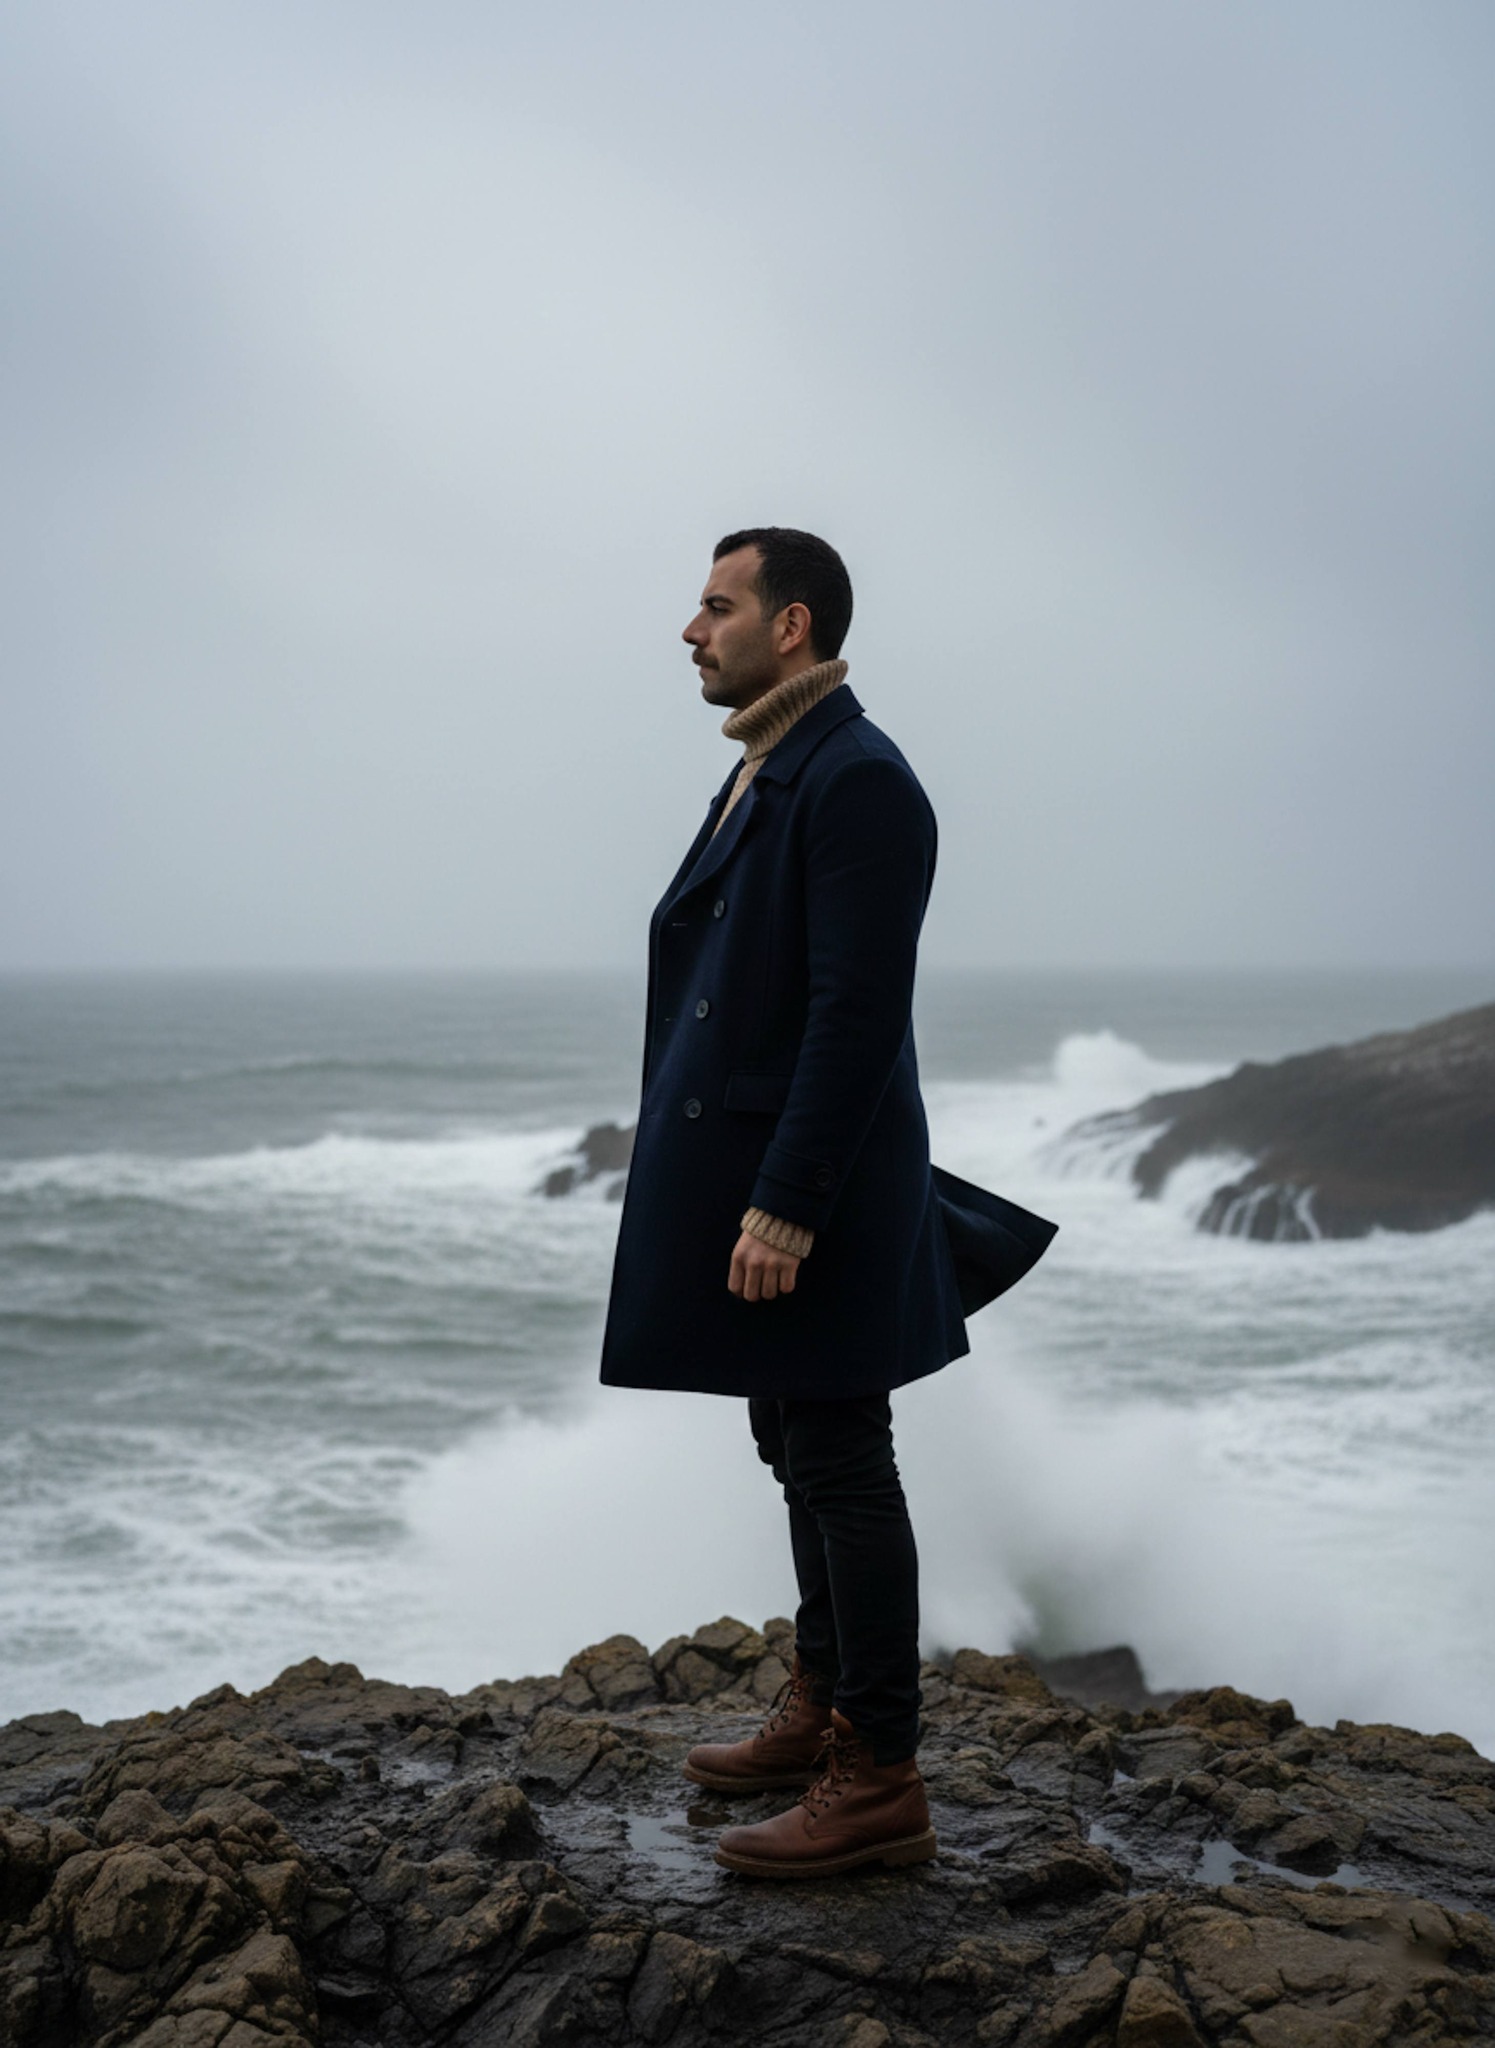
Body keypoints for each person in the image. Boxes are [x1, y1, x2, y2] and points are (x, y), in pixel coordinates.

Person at [598, 526, 970, 1880]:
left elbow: (855, 1014)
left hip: (814, 1190)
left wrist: (788, 1202)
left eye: (716, 606)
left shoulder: (857, 779)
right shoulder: (774, 761)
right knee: (793, 1440)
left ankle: (879, 1774)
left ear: (791, 624)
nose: (691, 631)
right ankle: (823, 1711)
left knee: (841, 1456)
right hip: (765, 1180)